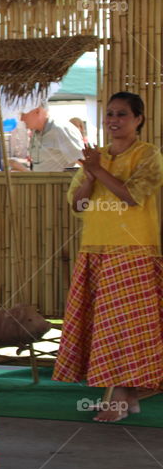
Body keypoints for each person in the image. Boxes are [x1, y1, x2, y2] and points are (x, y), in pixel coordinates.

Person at [53, 91, 163, 422]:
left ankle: (121, 396)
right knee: (103, 327)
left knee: (127, 329)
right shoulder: (95, 158)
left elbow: (131, 195)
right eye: (110, 114)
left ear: (138, 119)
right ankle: (123, 394)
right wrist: (88, 175)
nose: (114, 120)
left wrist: (97, 170)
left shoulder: (149, 156)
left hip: (133, 250)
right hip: (95, 249)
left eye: (122, 114)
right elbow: (78, 204)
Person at [10, 104, 84, 172]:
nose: (21, 118)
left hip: (58, 185)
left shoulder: (60, 130)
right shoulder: (36, 132)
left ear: (37, 111)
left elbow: (85, 164)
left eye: (24, 114)